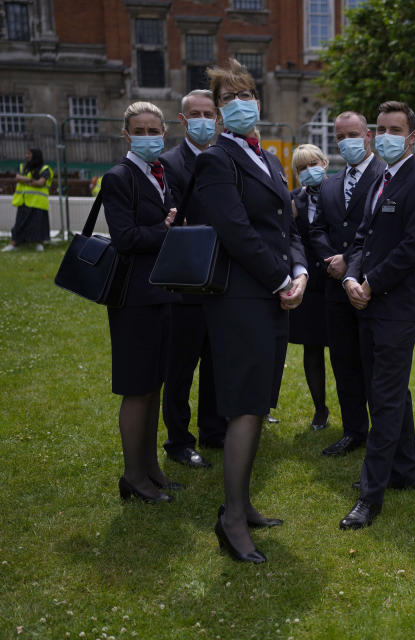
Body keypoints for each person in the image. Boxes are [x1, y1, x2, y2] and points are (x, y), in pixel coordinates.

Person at [193, 59, 308, 563]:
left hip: (273, 295)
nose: (241, 103)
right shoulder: (216, 159)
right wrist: (282, 278)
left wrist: (300, 270)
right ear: (218, 111)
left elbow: (289, 224)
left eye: (247, 94)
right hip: (242, 299)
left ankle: (242, 503)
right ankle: (231, 519)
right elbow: (235, 232)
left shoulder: (268, 158)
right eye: (229, 97)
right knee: (244, 407)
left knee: (258, 405)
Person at [340, 100, 415, 530]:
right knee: (390, 389)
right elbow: (362, 237)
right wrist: (352, 277)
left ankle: (370, 494)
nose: (385, 135)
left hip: (396, 308)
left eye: (394, 129)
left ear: (412, 136)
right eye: (380, 128)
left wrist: (370, 283)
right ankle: (403, 471)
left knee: (383, 396)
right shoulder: (381, 177)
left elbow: (412, 250)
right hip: (368, 301)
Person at [101, 101, 179, 503]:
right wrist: (166, 230)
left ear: (164, 132)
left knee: (154, 385)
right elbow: (126, 238)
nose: (149, 136)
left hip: (161, 293)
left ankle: (151, 469)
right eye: (140, 130)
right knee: (137, 387)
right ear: (127, 134)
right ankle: (133, 476)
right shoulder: (120, 177)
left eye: (155, 129)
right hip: (133, 298)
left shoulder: (159, 175)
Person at [309, 110, 386, 457]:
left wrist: (351, 263)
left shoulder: (385, 176)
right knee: (343, 361)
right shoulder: (329, 183)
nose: (347, 142)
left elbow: (381, 234)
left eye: (353, 134)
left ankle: (381, 432)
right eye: (340, 137)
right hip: (335, 288)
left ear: (368, 135)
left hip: (371, 287)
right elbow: (317, 229)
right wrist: (333, 261)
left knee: (374, 362)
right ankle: (354, 429)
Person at [158, 89, 225, 469]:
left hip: (221, 280)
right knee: (180, 367)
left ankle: (214, 430)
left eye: (209, 113)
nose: (203, 119)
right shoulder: (169, 164)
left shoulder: (225, 159)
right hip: (185, 283)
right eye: (194, 114)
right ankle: (179, 440)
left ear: (217, 119)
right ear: (183, 121)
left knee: (216, 362)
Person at [290, 144, 331, 430]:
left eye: (313, 163)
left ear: (324, 163)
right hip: (310, 286)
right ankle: (320, 409)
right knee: (312, 350)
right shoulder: (293, 200)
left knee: (344, 351)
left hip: (338, 282)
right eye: (302, 167)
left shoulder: (342, 193)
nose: (308, 170)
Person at [4, 148, 52, 252]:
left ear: (35, 155)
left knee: (39, 225)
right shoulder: (23, 167)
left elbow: (41, 183)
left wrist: (25, 180)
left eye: (29, 153)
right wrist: (31, 180)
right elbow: (18, 177)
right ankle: (14, 244)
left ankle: (39, 244)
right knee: (20, 224)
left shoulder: (45, 168)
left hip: (39, 202)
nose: (26, 156)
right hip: (24, 201)